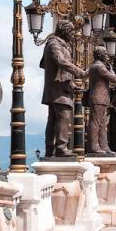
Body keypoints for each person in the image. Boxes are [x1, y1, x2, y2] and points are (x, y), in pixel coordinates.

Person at [41, 20, 86, 157]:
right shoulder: (54, 44)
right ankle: (61, 147)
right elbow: (61, 62)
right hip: (57, 88)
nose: (73, 35)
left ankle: (51, 149)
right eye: (71, 32)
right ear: (65, 31)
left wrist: (72, 85)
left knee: (53, 119)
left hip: (61, 87)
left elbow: (61, 71)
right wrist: (79, 72)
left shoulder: (59, 44)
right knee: (64, 116)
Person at [86, 46, 116, 155]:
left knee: (102, 124)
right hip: (98, 98)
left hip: (101, 99)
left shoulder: (97, 66)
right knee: (96, 123)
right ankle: (94, 146)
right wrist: (111, 68)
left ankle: (103, 145)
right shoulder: (98, 66)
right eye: (105, 54)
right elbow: (113, 79)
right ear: (100, 55)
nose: (107, 56)